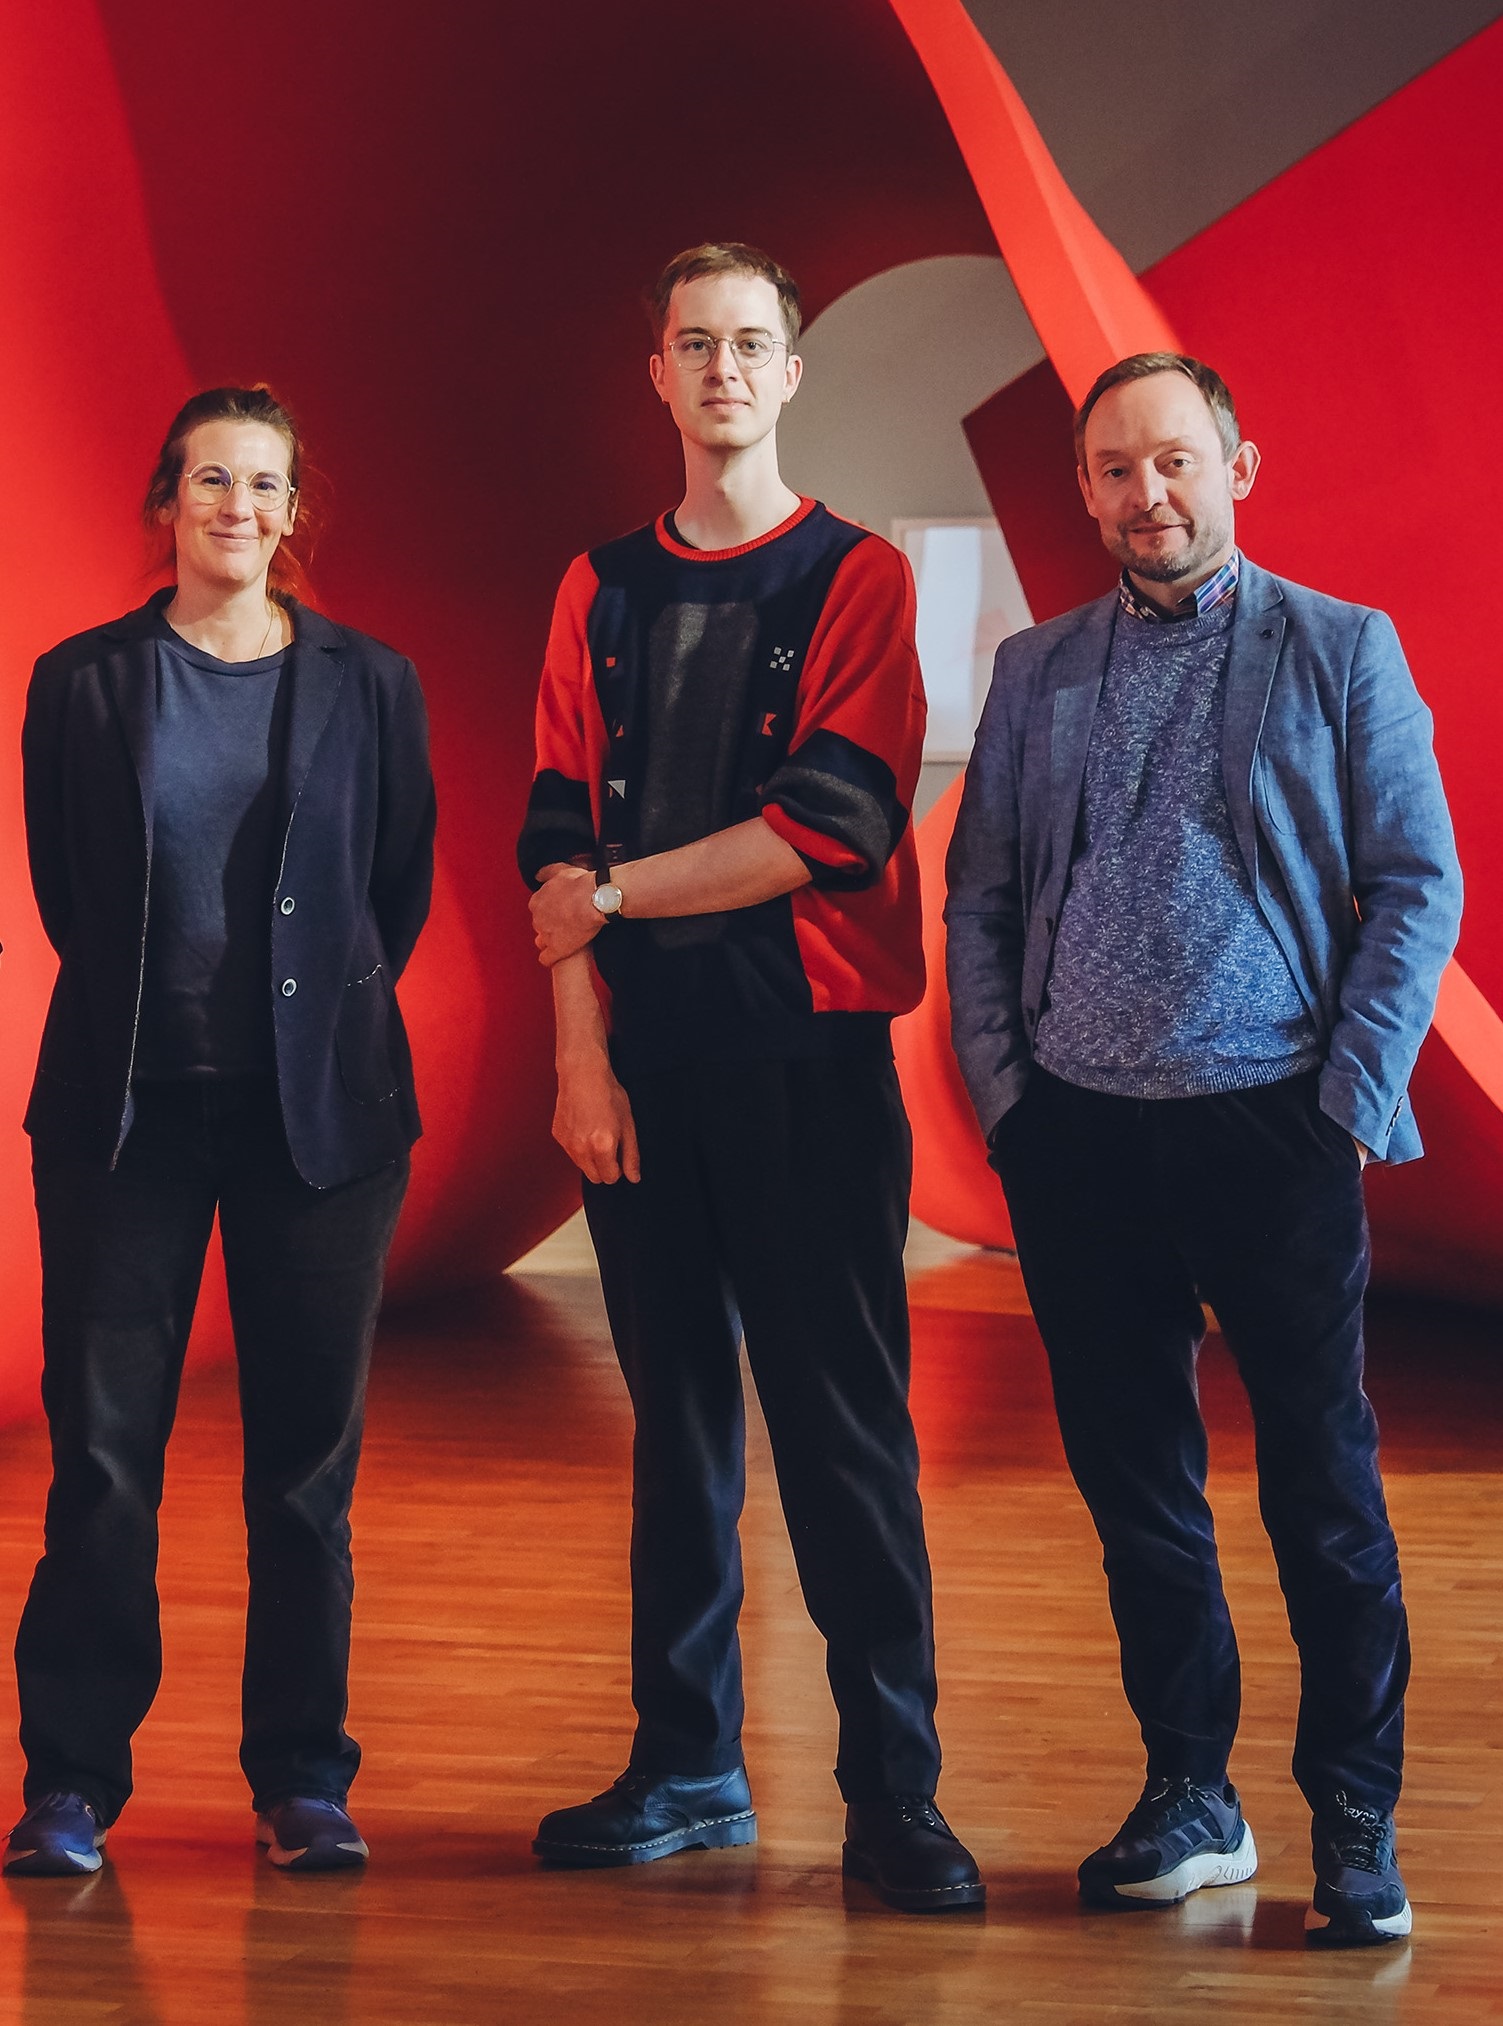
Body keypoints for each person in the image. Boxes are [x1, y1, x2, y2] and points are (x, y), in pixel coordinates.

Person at [946, 351, 1461, 1947]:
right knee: (1139, 1489)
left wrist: (1345, 1103)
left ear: (1238, 465)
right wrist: (1011, 1104)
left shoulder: (1340, 646)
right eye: (1115, 468)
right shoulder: (1036, 670)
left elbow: (1418, 883)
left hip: (1273, 1125)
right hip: (1081, 1140)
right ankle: (1192, 1792)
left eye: (1173, 460)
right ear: (1086, 489)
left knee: (1323, 1486)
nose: (1145, 492)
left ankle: (1354, 1816)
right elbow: (978, 897)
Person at [517, 243, 982, 1913]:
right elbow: (553, 831)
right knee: (680, 1433)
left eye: (751, 341)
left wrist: (619, 897)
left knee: (844, 1430)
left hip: (808, 1064)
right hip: (643, 1069)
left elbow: (830, 824)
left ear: (791, 372)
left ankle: (896, 1793)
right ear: (657, 372)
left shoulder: (857, 577)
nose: (723, 366)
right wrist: (580, 1056)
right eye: (695, 341)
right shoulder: (595, 586)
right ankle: (686, 1762)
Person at [7, 385, 435, 1877]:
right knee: (102, 1459)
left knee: (305, 1471)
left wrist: (304, 1025)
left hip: (320, 1125)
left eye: (263, 485)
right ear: (166, 501)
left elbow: (393, 892)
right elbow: (69, 892)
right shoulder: (80, 682)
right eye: (210, 481)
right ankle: (70, 1783)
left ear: (294, 511)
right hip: (125, 1118)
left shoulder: (374, 684)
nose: (237, 508)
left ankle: (301, 1777)